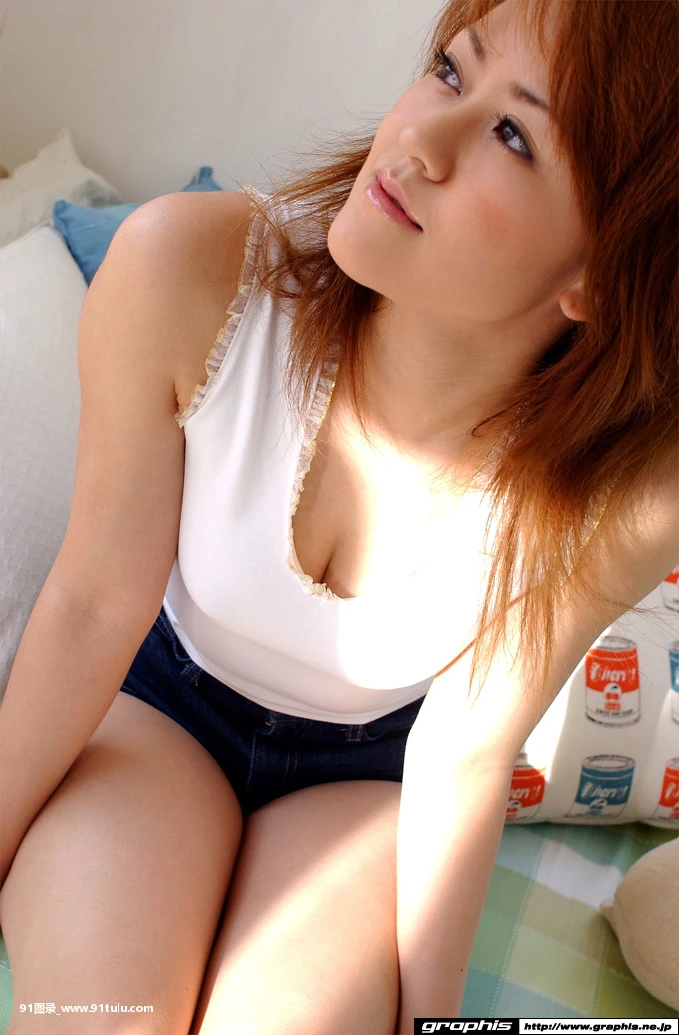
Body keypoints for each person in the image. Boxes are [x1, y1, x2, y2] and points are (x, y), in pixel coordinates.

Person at [0, 0, 676, 1031]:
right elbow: (93, 603)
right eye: (450, 71)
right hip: (156, 714)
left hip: (366, 782)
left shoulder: (622, 492)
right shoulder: (186, 271)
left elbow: (464, 748)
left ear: (603, 267)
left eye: (511, 134)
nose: (418, 139)